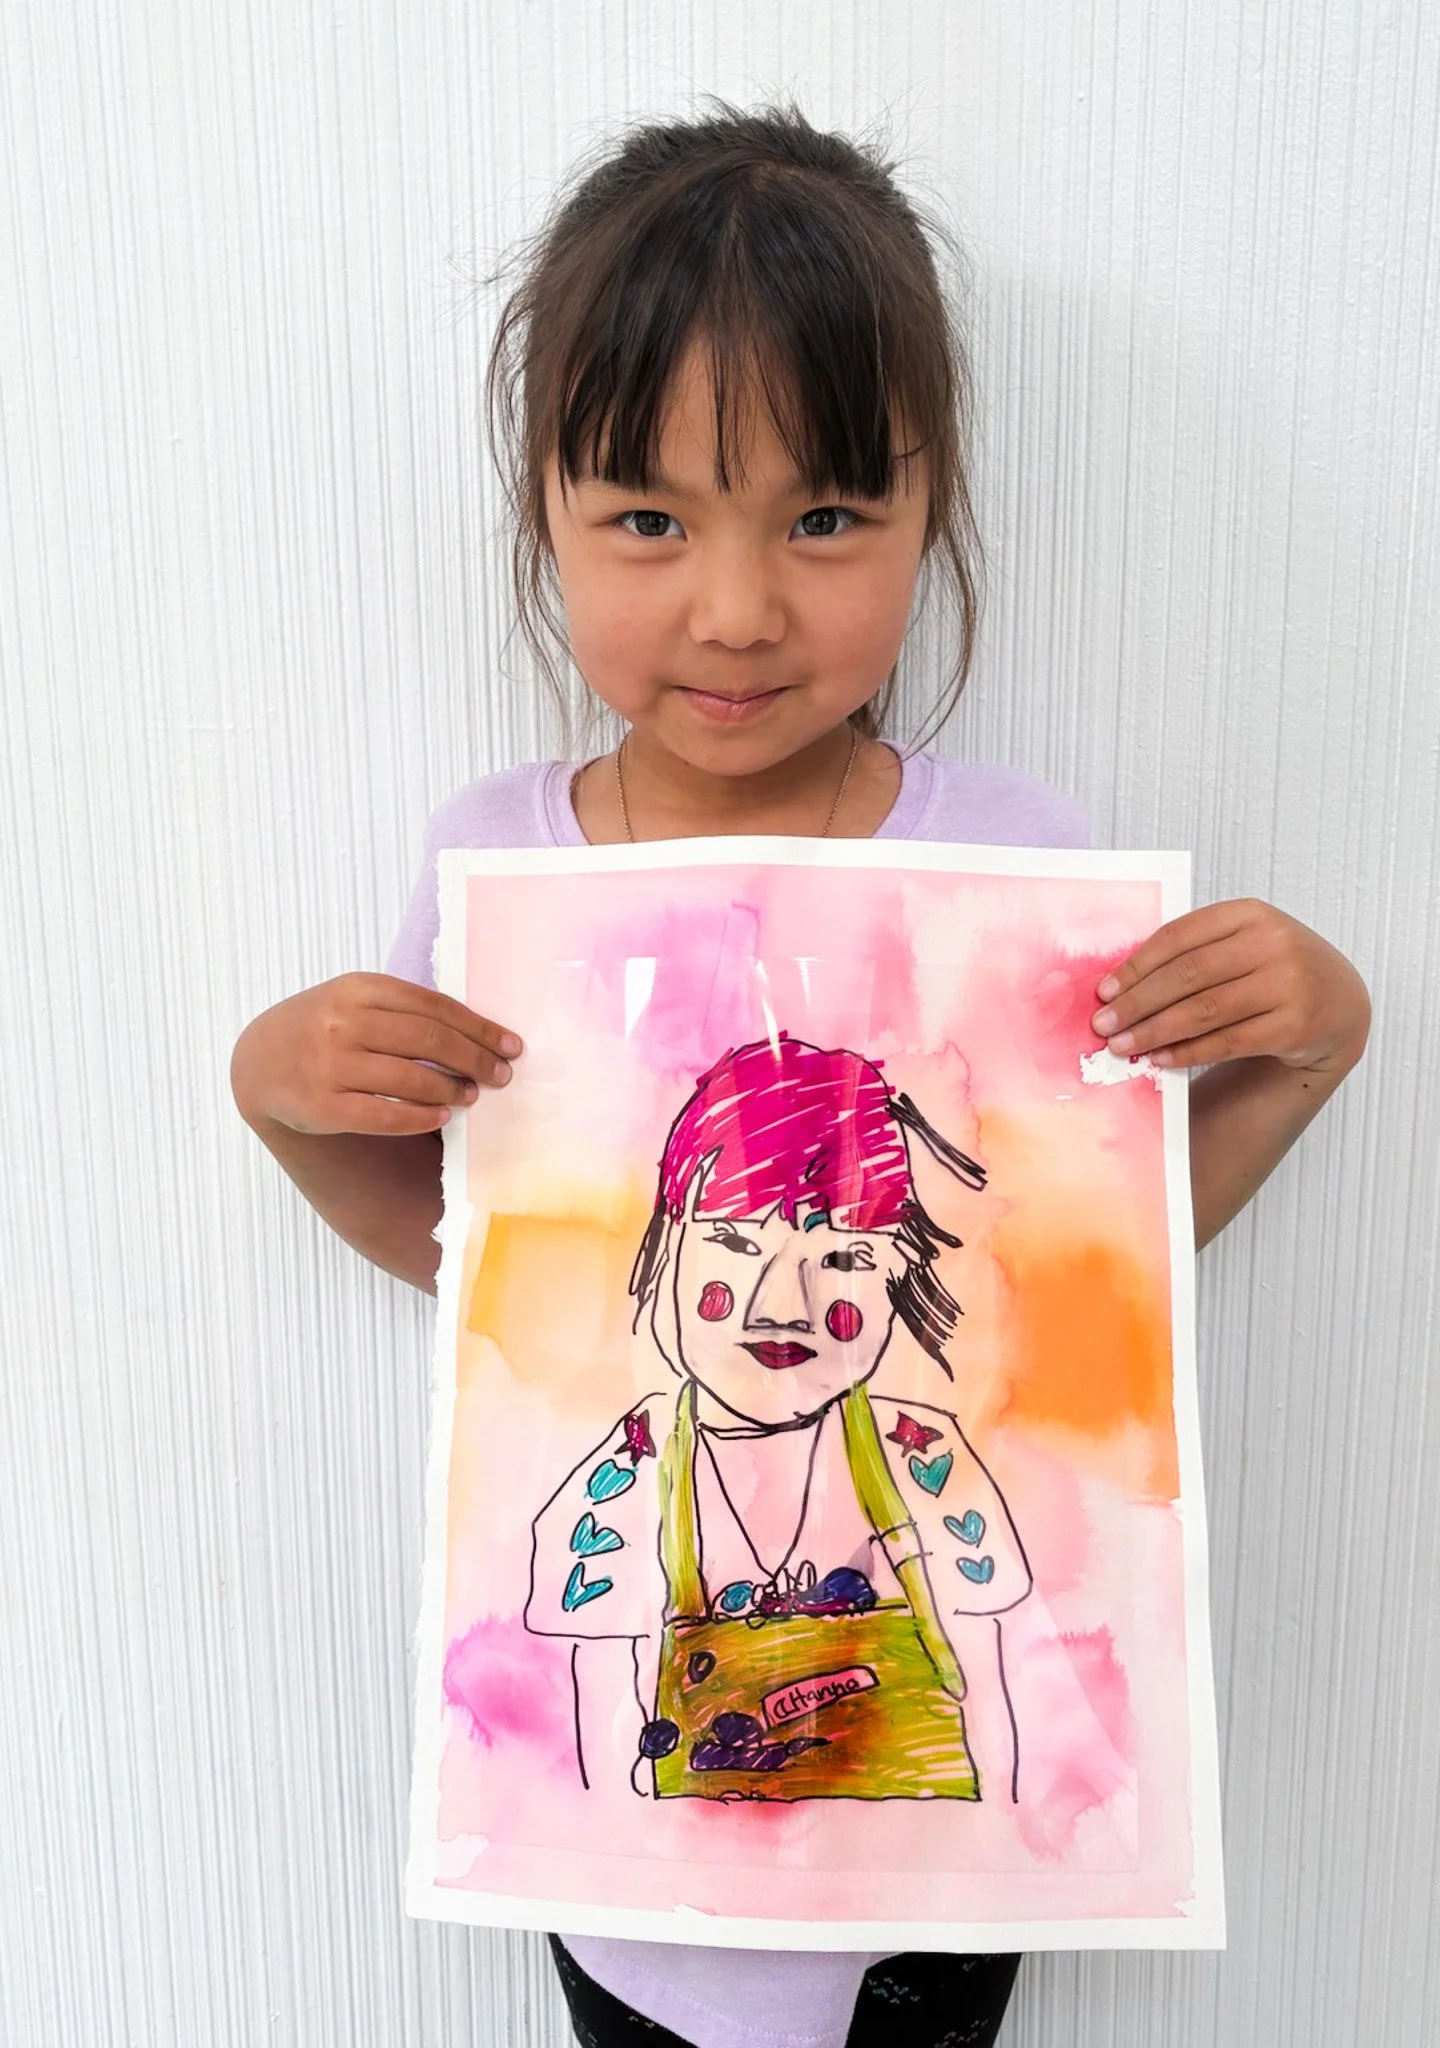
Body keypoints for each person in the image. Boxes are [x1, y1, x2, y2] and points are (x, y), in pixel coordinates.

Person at [230, 103, 1371, 2048]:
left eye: (826, 517)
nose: (740, 605)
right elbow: (477, 1264)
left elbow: (1083, 1282)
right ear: (545, 512)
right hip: (628, 1876)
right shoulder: (503, 868)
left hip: (936, 1878)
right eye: (649, 519)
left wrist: (1307, 1046)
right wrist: (282, 1094)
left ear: (934, 510)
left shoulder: (1014, 870)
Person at [526, 1032, 1032, 1812]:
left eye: (843, 1260)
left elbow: (992, 1725)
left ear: (899, 1276)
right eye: (734, 1243)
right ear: (665, 1249)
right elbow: (602, 1756)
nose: (780, 1306)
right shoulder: (621, 1480)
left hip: (924, 1871)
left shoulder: (925, 1461)